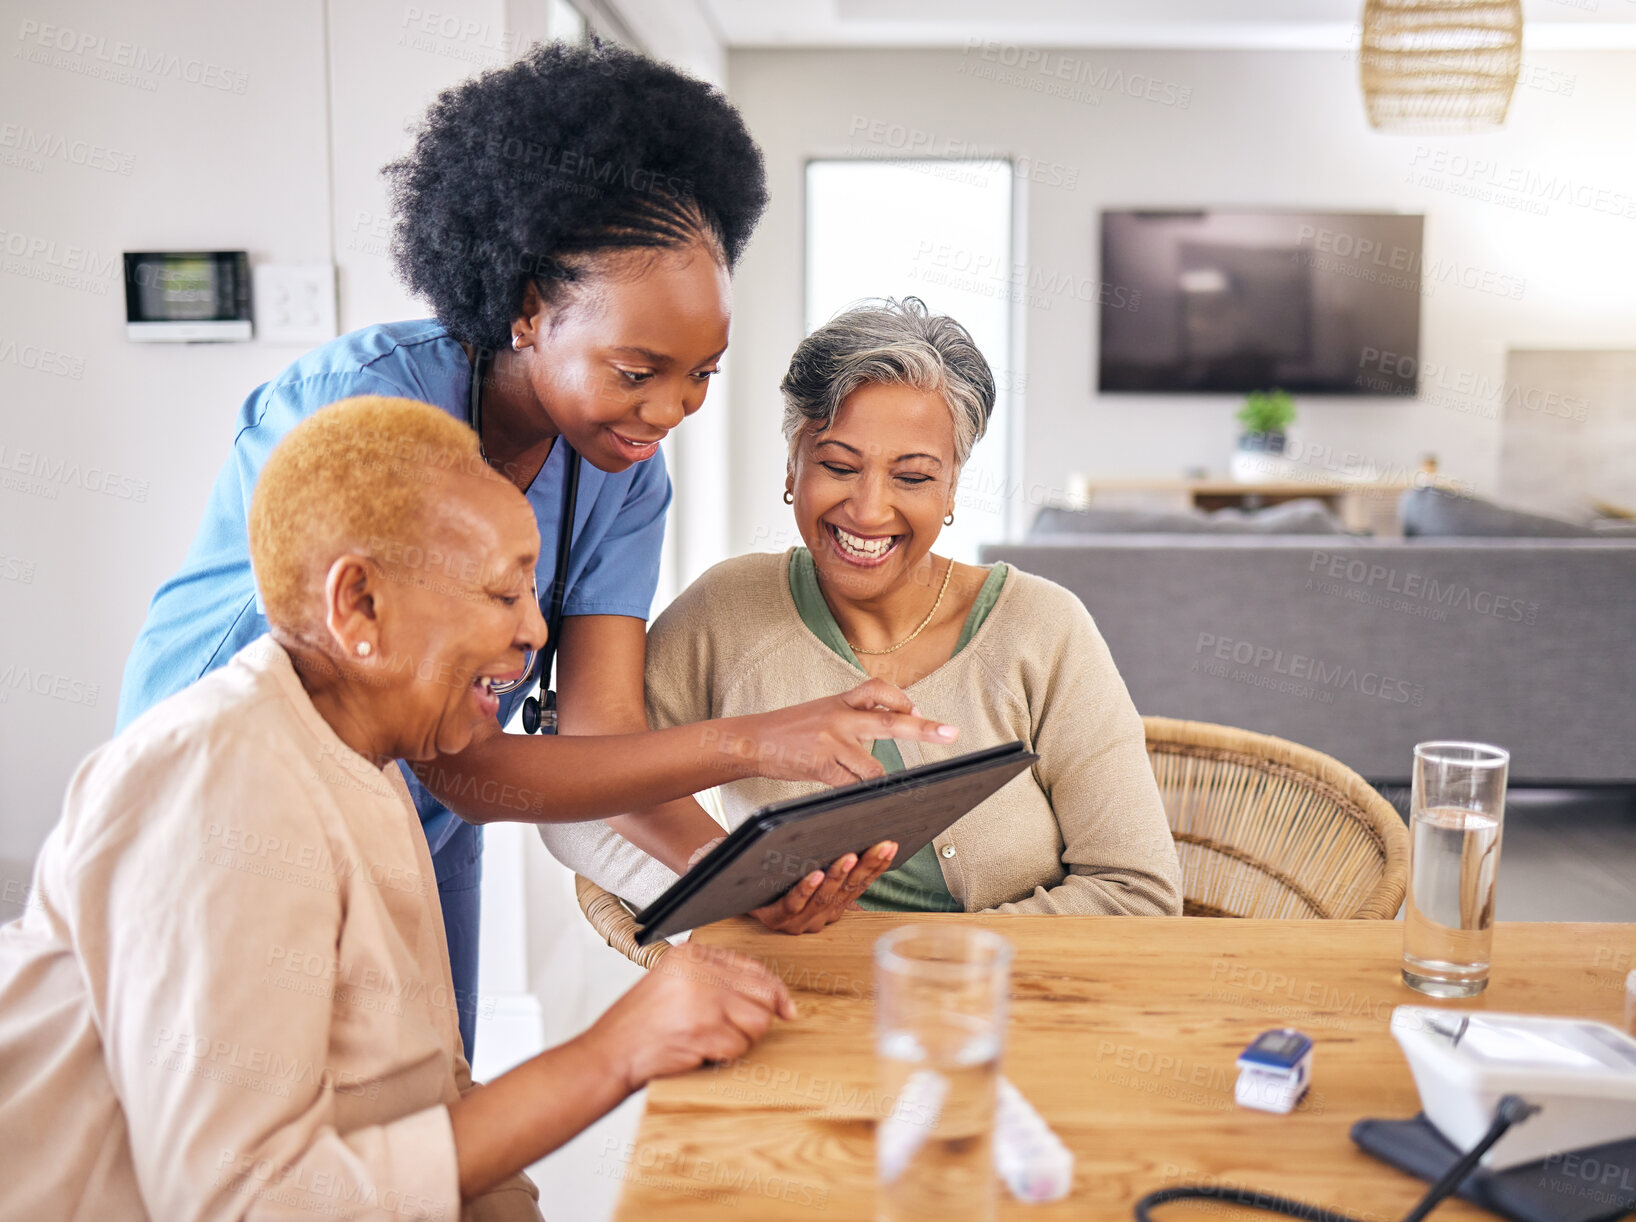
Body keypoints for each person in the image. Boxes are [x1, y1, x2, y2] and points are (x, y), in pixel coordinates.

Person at [115, 43, 942, 1056]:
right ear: (528, 310)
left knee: (433, 1111)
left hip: (422, 821)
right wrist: (754, 739)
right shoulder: (367, 414)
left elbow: (596, 738)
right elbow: (458, 762)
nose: (670, 409)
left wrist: (742, 879)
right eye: (638, 368)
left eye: (701, 375)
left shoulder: (623, 470)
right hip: (228, 826)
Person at [0, 397, 806, 1222]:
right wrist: (615, 1052)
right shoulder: (218, 782)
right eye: (501, 595)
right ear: (360, 608)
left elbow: (435, 1091)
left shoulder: (372, 767)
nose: (535, 631)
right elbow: (241, 1202)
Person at [544, 300, 1184, 917]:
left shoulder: (1045, 627)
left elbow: (1137, 889)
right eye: (839, 466)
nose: (869, 511)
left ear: (953, 484)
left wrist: (924, 967)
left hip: (1013, 1004)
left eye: (912, 477)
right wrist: (734, 895)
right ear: (794, 463)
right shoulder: (725, 611)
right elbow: (580, 803)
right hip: (796, 1000)